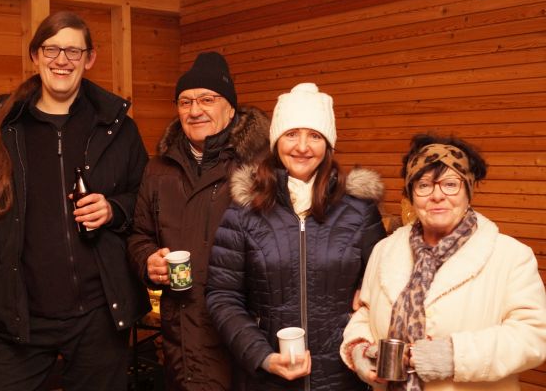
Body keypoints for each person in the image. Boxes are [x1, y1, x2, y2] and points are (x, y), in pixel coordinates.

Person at [0, 11, 148, 390]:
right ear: (35, 55)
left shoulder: (118, 127)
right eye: (51, 49)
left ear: (89, 59)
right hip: (20, 313)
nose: (62, 60)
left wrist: (113, 209)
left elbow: (145, 198)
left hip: (100, 315)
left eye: (73, 51)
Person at [205, 82, 387, 391]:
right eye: (291, 134)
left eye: (314, 136)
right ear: (276, 141)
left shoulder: (358, 210)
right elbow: (223, 295)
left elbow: (384, 285)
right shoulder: (244, 211)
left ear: (328, 144)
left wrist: (366, 295)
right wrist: (262, 356)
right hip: (268, 380)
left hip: (342, 377)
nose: (302, 147)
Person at [340, 133, 546, 390]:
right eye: (424, 185)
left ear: (468, 191)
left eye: (450, 184)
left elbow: (534, 336)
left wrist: (453, 356)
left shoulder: (511, 256)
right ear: (411, 195)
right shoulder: (384, 250)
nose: (437, 195)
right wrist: (360, 349)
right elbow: (365, 312)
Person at [127, 51, 270, 390]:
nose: (194, 111)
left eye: (207, 99)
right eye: (185, 102)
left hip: (244, 331)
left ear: (230, 108)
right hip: (181, 332)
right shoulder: (159, 168)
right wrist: (148, 261)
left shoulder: (261, 166)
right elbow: (139, 235)